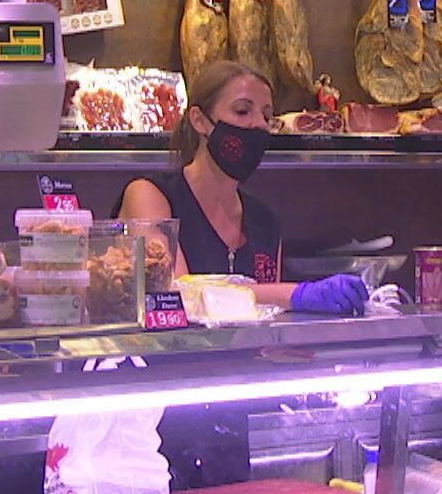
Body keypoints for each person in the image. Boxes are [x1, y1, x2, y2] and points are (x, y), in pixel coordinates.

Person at [111, 62, 368, 316]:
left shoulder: (264, 221)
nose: (257, 124)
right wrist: (294, 295)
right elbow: (175, 296)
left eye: (266, 116)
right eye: (243, 111)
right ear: (200, 121)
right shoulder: (150, 195)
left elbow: (268, 319)